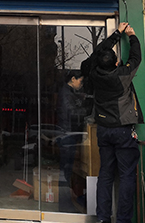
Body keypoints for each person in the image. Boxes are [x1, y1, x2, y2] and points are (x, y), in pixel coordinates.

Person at [84, 22, 142, 223]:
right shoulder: (122, 75)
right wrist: (131, 35)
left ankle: (103, 217)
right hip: (122, 130)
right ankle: (123, 219)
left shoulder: (93, 74)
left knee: (106, 175)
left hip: (103, 130)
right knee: (126, 175)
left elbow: (96, 54)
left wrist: (116, 34)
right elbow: (136, 58)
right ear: (117, 63)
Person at [57, 70, 89, 212]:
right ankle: (64, 204)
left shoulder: (68, 93)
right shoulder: (66, 94)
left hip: (68, 133)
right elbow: (72, 113)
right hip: (67, 134)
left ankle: (66, 203)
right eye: (80, 81)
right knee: (66, 170)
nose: (81, 84)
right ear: (73, 79)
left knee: (67, 170)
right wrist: (86, 109)